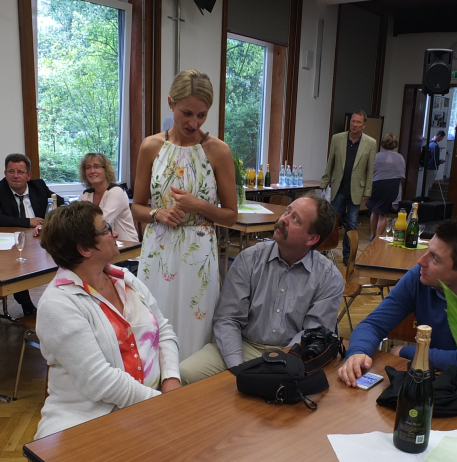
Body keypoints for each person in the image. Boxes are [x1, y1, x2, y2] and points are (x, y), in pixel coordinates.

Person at [34, 201, 181, 462]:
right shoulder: (58, 304)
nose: (114, 233)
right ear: (85, 249)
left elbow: (164, 330)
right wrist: (162, 405)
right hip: (86, 410)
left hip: (147, 401)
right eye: (105, 229)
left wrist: (172, 380)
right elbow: (99, 382)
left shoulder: (124, 278)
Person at [180, 194, 343, 383]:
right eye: (287, 211)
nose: (283, 219)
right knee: (185, 373)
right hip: (243, 345)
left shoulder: (329, 278)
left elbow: (312, 336)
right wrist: (238, 368)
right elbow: (228, 319)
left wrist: (284, 364)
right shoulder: (249, 259)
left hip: (292, 353)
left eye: (295, 219)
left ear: (312, 239)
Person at [132, 69, 238, 361]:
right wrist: (158, 213)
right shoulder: (151, 147)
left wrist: (199, 205)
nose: (194, 123)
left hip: (198, 252)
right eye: (187, 113)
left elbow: (231, 216)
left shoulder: (218, 151)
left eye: (202, 115)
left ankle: (192, 383)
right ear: (171, 103)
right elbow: (136, 207)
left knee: (194, 325)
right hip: (158, 249)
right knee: (154, 319)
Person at [338, 216, 457, 385]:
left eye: (435, 258)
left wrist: (406, 351)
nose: (421, 261)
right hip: (434, 380)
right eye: (428, 250)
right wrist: (358, 352)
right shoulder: (420, 276)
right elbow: (373, 325)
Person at [0, 153, 64, 315]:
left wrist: (48, 222)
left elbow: (60, 204)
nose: (15, 176)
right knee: (17, 265)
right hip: (12, 242)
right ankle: (27, 305)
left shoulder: (39, 186)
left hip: (38, 239)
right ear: (5, 173)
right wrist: (28, 222)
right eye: (11, 171)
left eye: (20, 172)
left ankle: (60, 302)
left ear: (28, 175)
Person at [320, 110, 376, 265]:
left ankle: (347, 255)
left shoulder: (370, 143)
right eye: (353, 121)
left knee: (351, 224)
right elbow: (330, 162)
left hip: (356, 190)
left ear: (364, 125)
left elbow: (370, 169)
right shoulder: (337, 139)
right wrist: (325, 181)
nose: (354, 125)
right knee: (332, 221)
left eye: (358, 122)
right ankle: (324, 249)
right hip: (339, 188)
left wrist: (368, 191)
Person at [77, 152, 139, 241]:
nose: (92, 171)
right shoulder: (86, 195)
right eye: (88, 167)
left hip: (127, 245)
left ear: (106, 170)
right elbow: (76, 220)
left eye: (96, 166)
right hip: (102, 245)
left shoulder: (116, 191)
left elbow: (102, 222)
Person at [367, 133, 406, 240]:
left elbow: (371, 171)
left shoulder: (377, 156)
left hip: (377, 185)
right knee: (383, 214)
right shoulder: (400, 158)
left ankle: (372, 235)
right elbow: (402, 175)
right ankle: (378, 237)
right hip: (392, 186)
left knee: (375, 210)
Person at [424, 130, 446, 194]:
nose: (441, 139)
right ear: (439, 135)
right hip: (432, 168)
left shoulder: (429, 143)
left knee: (425, 184)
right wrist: (440, 161)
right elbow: (434, 159)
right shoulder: (435, 146)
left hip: (427, 166)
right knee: (427, 185)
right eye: (442, 138)